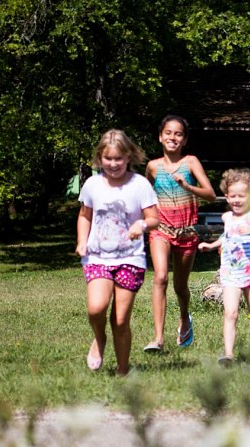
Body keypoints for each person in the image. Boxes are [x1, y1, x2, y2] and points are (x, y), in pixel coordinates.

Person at [76, 129, 159, 375]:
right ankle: (99, 339)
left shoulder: (139, 185)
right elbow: (84, 216)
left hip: (130, 259)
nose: (113, 164)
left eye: (118, 159)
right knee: (96, 308)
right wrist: (82, 241)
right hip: (97, 257)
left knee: (121, 319)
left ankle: (123, 370)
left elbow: (154, 218)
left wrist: (140, 224)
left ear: (129, 157)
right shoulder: (92, 185)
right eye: (108, 158)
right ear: (99, 158)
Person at [143, 115, 216, 353]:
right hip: (161, 231)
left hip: (186, 233)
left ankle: (185, 317)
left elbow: (210, 195)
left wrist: (187, 186)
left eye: (178, 134)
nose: (172, 137)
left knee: (180, 286)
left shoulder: (190, 162)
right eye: (168, 133)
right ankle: (158, 339)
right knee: (160, 277)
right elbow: (144, 197)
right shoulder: (152, 167)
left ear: (184, 140)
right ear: (160, 136)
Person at [198, 169, 250, 365]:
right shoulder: (226, 218)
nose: (237, 200)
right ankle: (228, 354)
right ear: (227, 196)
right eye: (233, 196)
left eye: (242, 196)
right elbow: (227, 237)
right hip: (230, 272)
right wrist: (211, 245)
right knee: (230, 312)